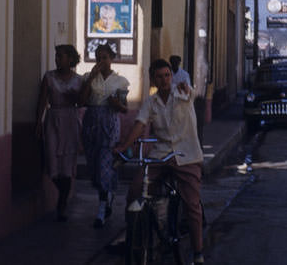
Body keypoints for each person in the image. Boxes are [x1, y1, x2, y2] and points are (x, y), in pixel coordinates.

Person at [116, 59, 204, 264]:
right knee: (135, 191)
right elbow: (140, 125)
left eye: (167, 75)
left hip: (186, 155)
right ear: (152, 79)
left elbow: (190, 92)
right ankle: (132, 236)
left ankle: (198, 252)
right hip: (161, 155)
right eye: (159, 77)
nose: (164, 80)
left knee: (192, 204)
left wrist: (187, 88)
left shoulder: (182, 93)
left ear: (171, 77)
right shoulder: (151, 102)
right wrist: (124, 147)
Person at [80, 43, 129, 228]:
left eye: (105, 57)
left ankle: (102, 207)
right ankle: (106, 195)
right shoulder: (89, 78)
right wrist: (91, 77)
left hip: (109, 124)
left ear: (111, 58)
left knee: (104, 165)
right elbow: (82, 101)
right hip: (92, 122)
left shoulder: (120, 81)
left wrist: (116, 104)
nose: (101, 61)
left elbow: (124, 109)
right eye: (98, 57)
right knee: (93, 164)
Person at [35, 44, 84, 221]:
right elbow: (42, 100)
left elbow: (82, 101)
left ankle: (62, 204)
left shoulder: (78, 80)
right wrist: (39, 122)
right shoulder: (49, 77)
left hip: (70, 120)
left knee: (67, 162)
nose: (57, 59)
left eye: (61, 56)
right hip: (53, 119)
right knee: (51, 159)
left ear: (70, 59)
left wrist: (76, 97)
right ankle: (62, 192)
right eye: (56, 56)